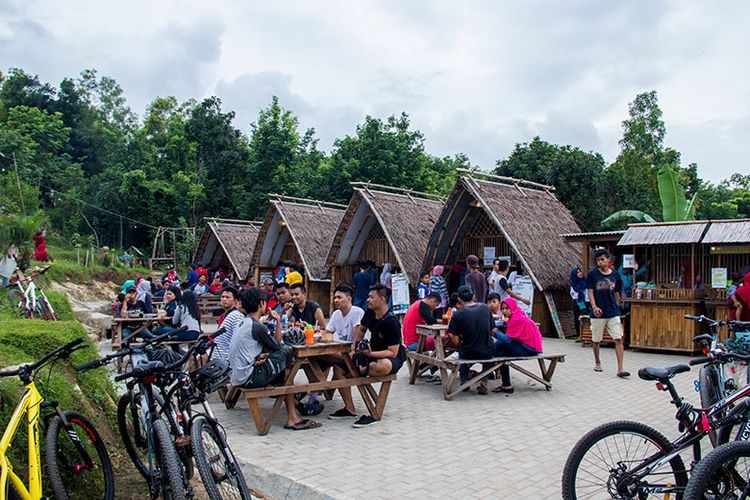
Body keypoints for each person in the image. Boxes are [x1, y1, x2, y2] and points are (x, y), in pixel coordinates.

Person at [228, 287, 321, 431]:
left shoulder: (244, 322)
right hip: (249, 377)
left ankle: (293, 414)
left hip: (238, 375)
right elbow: (277, 347)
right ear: (261, 304)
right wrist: (278, 321)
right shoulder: (256, 326)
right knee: (287, 352)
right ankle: (293, 412)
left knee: (285, 372)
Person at [342, 284, 406, 427]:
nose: (368, 300)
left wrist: (370, 354)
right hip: (370, 353)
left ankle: (363, 370)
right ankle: (348, 408)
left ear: (382, 299)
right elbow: (362, 329)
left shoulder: (392, 322)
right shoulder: (370, 312)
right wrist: (355, 346)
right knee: (340, 367)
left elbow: (392, 352)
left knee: (382, 365)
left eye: (371, 297)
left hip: (391, 357)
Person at [447, 286, 496, 395]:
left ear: (459, 300)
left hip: (469, 352)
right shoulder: (485, 308)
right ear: (473, 296)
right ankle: (484, 381)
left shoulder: (458, 315)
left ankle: (464, 381)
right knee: (490, 347)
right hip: (487, 351)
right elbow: (493, 330)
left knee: (462, 351)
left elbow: (455, 341)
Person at [587, 249, 628, 378]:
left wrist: (618, 304)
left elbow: (616, 292)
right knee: (596, 340)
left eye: (602, 259)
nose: (600, 262)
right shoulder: (593, 275)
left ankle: (620, 368)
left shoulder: (615, 275)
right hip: (598, 312)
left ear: (608, 260)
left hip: (612, 311)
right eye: (598, 260)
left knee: (618, 338)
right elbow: (590, 291)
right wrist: (594, 306)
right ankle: (597, 362)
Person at [492, 297, 543, 393]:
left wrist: (494, 333)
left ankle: (488, 365)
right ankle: (506, 385)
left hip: (530, 348)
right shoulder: (519, 313)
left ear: (512, 307)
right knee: (502, 355)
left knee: (499, 344)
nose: (504, 311)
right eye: (503, 308)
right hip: (531, 346)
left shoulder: (516, 319)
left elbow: (507, 340)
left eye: (507, 308)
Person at [213, 287, 244, 360]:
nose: (224, 299)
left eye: (227, 297)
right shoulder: (223, 315)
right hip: (218, 350)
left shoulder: (236, 316)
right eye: (222, 297)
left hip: (226, 355)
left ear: (235, 301)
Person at [569, 266, 589, 337]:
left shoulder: (586, 282)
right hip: (577, 303)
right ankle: (579, 335)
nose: (580, 273)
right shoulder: (573, 285)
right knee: (578, 318)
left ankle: (587, 335)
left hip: (587, 302)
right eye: (577, 273)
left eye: (580, 271)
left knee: (586, 319)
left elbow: (588, 292)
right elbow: (574, 295)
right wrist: (582, 305)